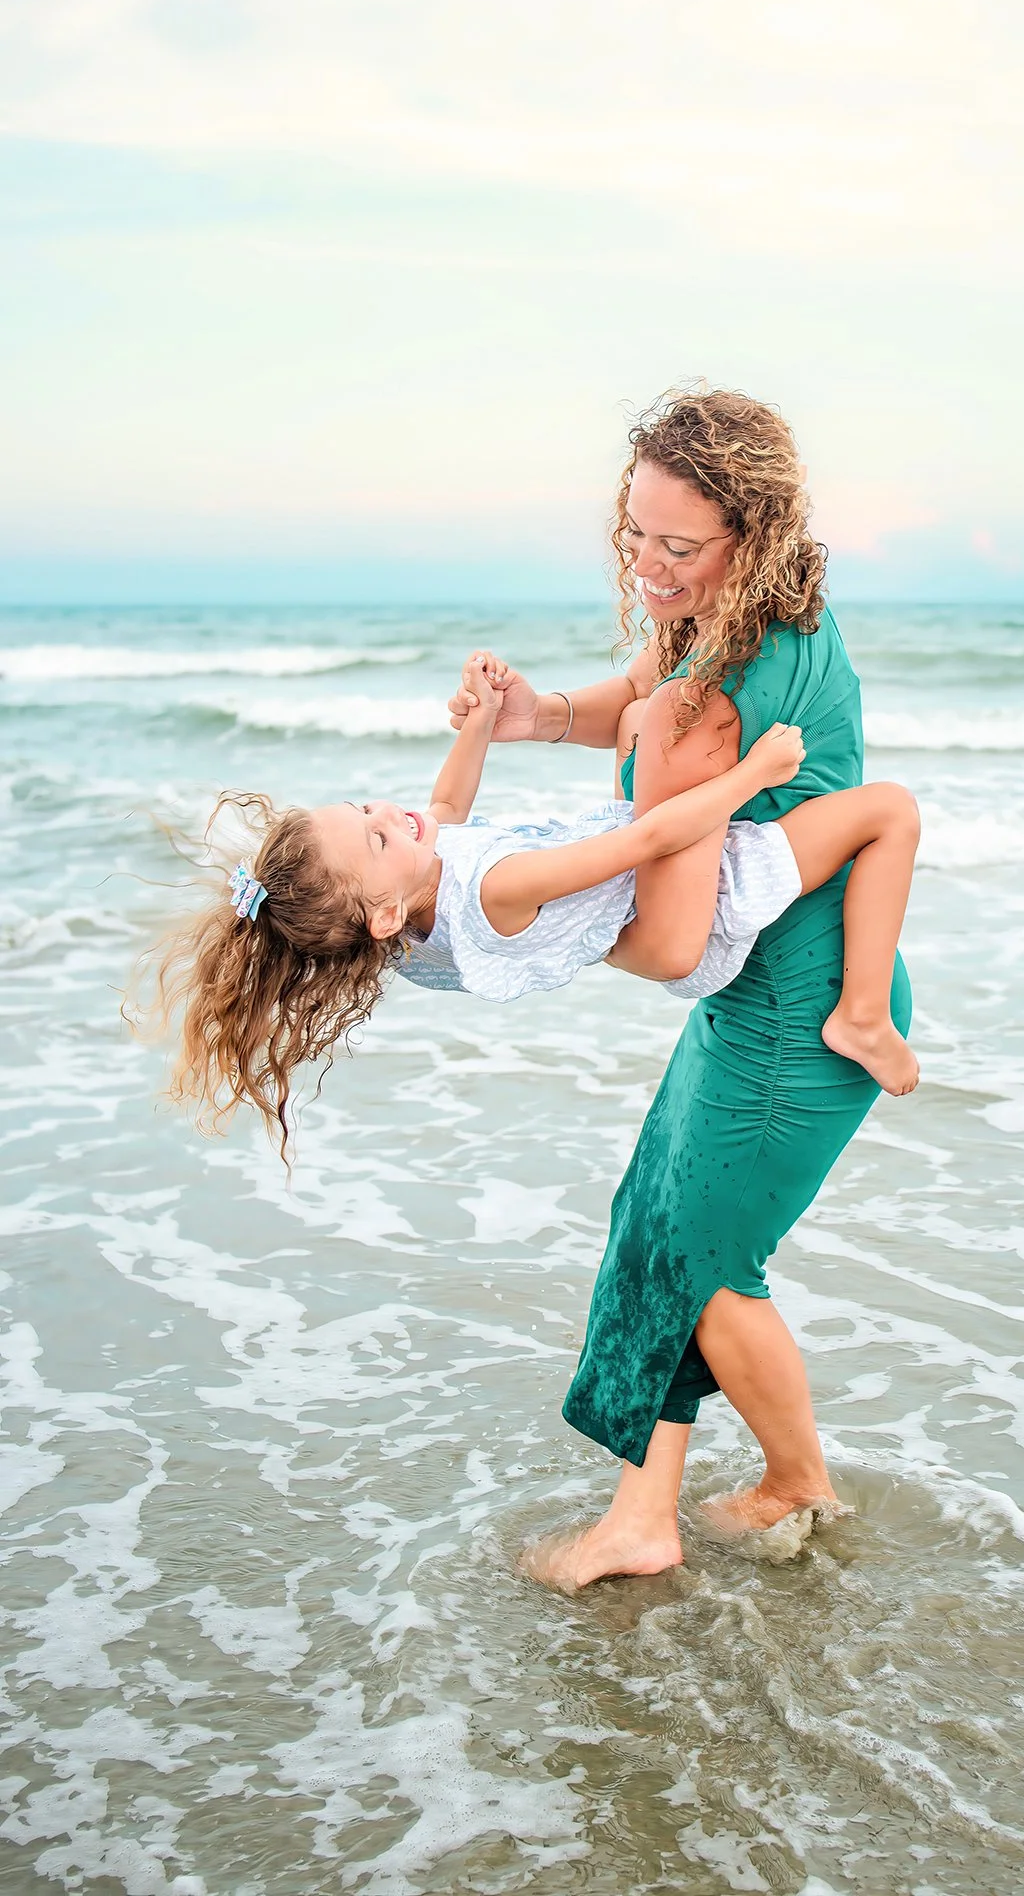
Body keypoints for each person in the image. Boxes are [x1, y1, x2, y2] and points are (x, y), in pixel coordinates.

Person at [445, 385, 918, 1590]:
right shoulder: (738, 619)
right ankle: (645, 1513)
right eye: (633, 534)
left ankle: (791, 1484)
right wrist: (539, 715)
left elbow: (665, 935)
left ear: (746, 537)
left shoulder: (721, 693)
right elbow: (641, 692)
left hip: (800, 1013)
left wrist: (528, 929)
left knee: (706, 1264)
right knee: (656, 1227)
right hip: (762, 991)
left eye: (678, 545)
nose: (649, 566)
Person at [143, 658, 919, 1158]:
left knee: (636, 717)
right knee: (889, 811)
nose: (388, 813)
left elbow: (445, 807)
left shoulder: (396, 925)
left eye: (362, 807)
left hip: (627, 899)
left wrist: (484, 720)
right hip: (693, 905)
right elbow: (651, 838)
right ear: (380, 914)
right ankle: (860, 1015)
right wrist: (755, 773)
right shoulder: (495, 888)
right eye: (375, 837)